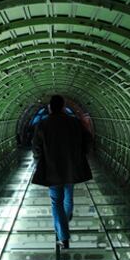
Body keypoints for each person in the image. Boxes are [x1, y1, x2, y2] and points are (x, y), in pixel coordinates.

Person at [31, 95, 92, 249]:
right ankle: (65, 219)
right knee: (68, 197)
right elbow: (88, 143)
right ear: (64, 107)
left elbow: (36, 148)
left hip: (52, 170)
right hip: (71, 167)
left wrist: (40, 162)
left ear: (50, 108)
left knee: (56, 202)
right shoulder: (75, 123)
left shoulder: (43, 124)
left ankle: (63, 237)